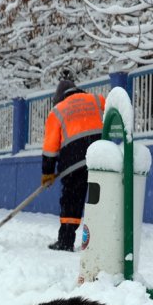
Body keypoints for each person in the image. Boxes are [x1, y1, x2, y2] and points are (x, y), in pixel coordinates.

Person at [41, 79, 106, 251]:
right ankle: (100, 242)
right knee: (99, 200)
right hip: (100, 159)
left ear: (59, 98)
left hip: (73, 164)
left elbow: (50, 148)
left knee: (71, 201)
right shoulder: (97, 100)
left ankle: (66, 241)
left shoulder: (57, 111)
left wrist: (47, 172)